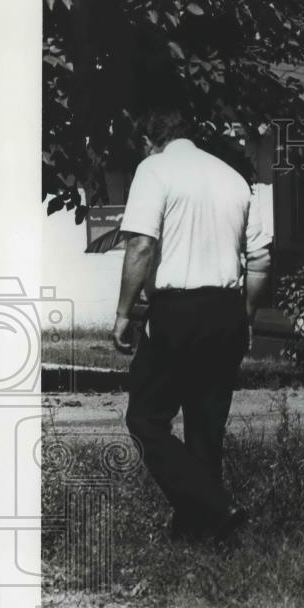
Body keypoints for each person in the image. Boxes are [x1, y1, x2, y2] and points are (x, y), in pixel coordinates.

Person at [112, 107, 272, 543]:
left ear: (150, 140)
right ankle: (202, 534)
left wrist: (124, 313)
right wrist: (249, 317)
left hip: (178, 309)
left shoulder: (154, 169)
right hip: (227, 309)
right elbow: (260, 260)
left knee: (145, 418)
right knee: (206, 425)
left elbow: (142, 245)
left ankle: (216, 505)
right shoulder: (233, 178)